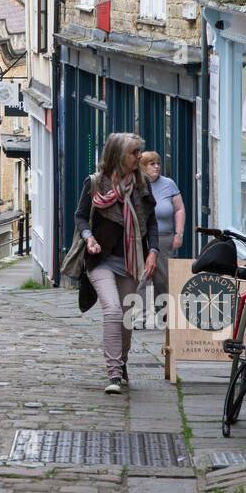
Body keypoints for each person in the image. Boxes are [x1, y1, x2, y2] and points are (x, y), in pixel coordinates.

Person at [74, 132, 159, 394]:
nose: (138, 157)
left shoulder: (142, 184)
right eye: (134, 153)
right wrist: (88, 238)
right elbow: (80, 217)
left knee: (126, 318)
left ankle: (122, 363)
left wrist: (153, 250)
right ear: (118, 155)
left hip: (131, 261)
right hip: (101, 259)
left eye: (138, 152)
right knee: (111, 310)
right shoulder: (95, 183)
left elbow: (152, 221)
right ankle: (113, 373)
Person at [139, 152, 185, 329]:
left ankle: (164, 315)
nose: (157, 166)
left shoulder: (168, 184)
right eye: (151, 163)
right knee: (142, 277)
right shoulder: (137, 184)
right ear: (142, 166)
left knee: (163, 279)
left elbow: (179, 209)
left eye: (158, 163)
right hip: (141, 240)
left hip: (165, 238)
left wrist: (178, 234)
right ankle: (139, 316)